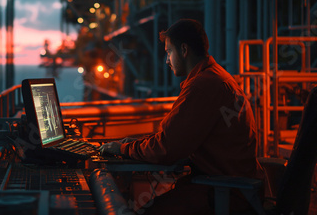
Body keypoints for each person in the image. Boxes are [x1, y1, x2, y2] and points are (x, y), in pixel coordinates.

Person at [100, 19, 264, 214]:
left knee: (145, 211)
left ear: (184, 50)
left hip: (224, 194)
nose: (167, 60)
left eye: (169, 52)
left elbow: (166, 148)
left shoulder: (202, 87)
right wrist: (137, 144)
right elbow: (174, 139)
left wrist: (125, 148)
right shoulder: (215, 77)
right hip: (230, 186)